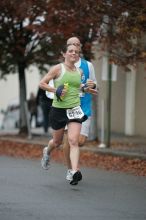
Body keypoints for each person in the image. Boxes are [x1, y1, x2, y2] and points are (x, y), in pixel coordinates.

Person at [39, 43, 97, 185]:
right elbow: (42, 83)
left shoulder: (80, 72)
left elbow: (78, 89)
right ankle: (47, 151)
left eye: (76, 52)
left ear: (78, 55)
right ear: (64, 54)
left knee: (73, 141)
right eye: (70, 51)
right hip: (58, 110)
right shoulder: (58, 68)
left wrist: (87, 89)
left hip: (74, 109)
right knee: (57, 142)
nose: (73, 53)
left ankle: (73, 171)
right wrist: (56, 90)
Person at [63, 37, 98, 182]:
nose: (74, 47)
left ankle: (72, 167)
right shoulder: (62, 66)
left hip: (84, 107)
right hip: (68, 107)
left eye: (77, 44)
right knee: (71, 141)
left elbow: (95, 84)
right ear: (67, 49)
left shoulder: (87, 65)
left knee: (80, 141)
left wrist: (93, 86)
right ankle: (71, 170)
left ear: (80, 48)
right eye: (71, 45)